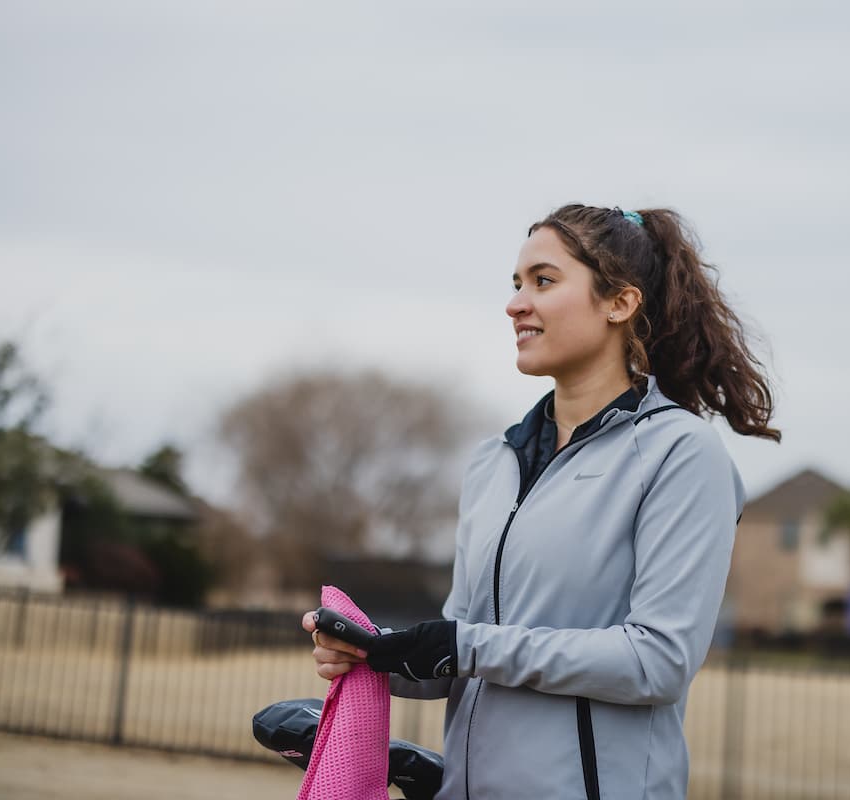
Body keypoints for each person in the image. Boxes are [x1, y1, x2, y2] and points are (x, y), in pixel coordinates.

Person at [302, 204, 780, 799]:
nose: (515, 304)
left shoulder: (682, 454)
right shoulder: (491, 462)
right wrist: (382, 654)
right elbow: (464, 649)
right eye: (516, 283)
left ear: (620, 304)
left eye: (544, 281)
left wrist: (462, 647)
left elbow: (658, 661)